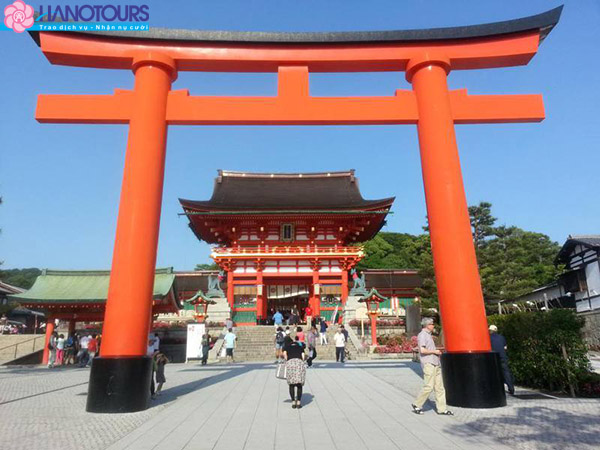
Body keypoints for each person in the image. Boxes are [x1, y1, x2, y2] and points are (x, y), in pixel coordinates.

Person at [411, 318, 453, 416]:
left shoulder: (429, 335)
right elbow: (422, 350)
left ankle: (442, 409)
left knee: (440, 387)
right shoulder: (422, 335)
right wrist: (435, 351)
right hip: (428, 363)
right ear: (427, 325)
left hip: (436, 363)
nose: (433, 325)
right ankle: (417, 404)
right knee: (429, 386)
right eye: (432, 324)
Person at [489, 324, 515, 395]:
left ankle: (494, 388)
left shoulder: (488, 338)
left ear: (490, 331)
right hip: (503, 356)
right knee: (506, 372)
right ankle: (511, 388)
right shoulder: (502, 337)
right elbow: (505, 348)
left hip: (493, 357)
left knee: (493, 373)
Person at [284, 335, 307, 409]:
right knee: (299, 383)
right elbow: (303, 356)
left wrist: (288, 360)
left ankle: (293, 402)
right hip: (298, 363)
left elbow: (285, 355)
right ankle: (299, 402)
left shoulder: (287, 346)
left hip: (290, 363)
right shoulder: (299, 346)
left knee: (291, 384)